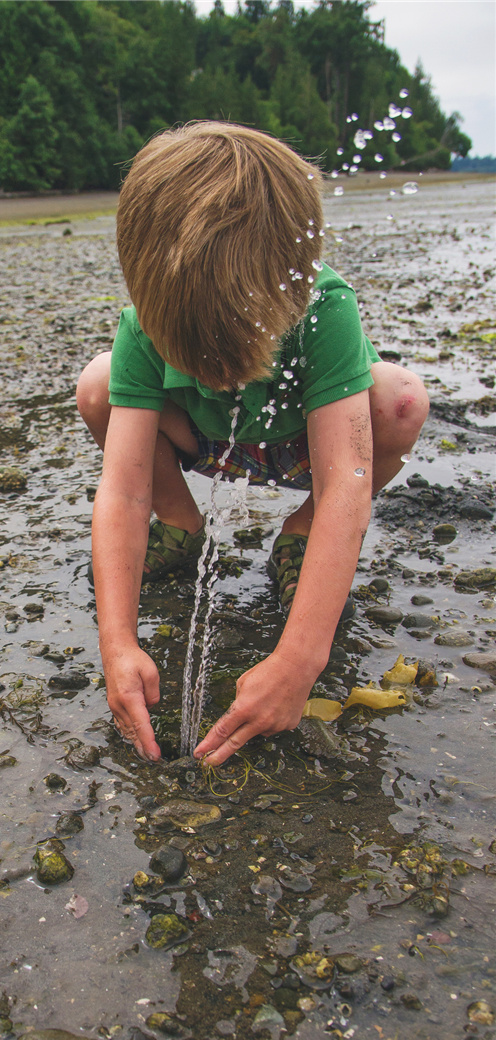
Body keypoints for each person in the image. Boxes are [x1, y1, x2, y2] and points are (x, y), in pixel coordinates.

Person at [77, 122, 428, 768]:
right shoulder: (144, 325)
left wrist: (299, 661)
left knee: (401, 399)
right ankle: (182, 522)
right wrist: (117, 642)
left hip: (304, 445)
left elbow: (349, 482)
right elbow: (123, 489)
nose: (222, 374)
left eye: (236, 357)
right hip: (207, 440)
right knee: (98, 387)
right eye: (201, 359)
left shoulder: (320, 307)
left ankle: (300, 530)